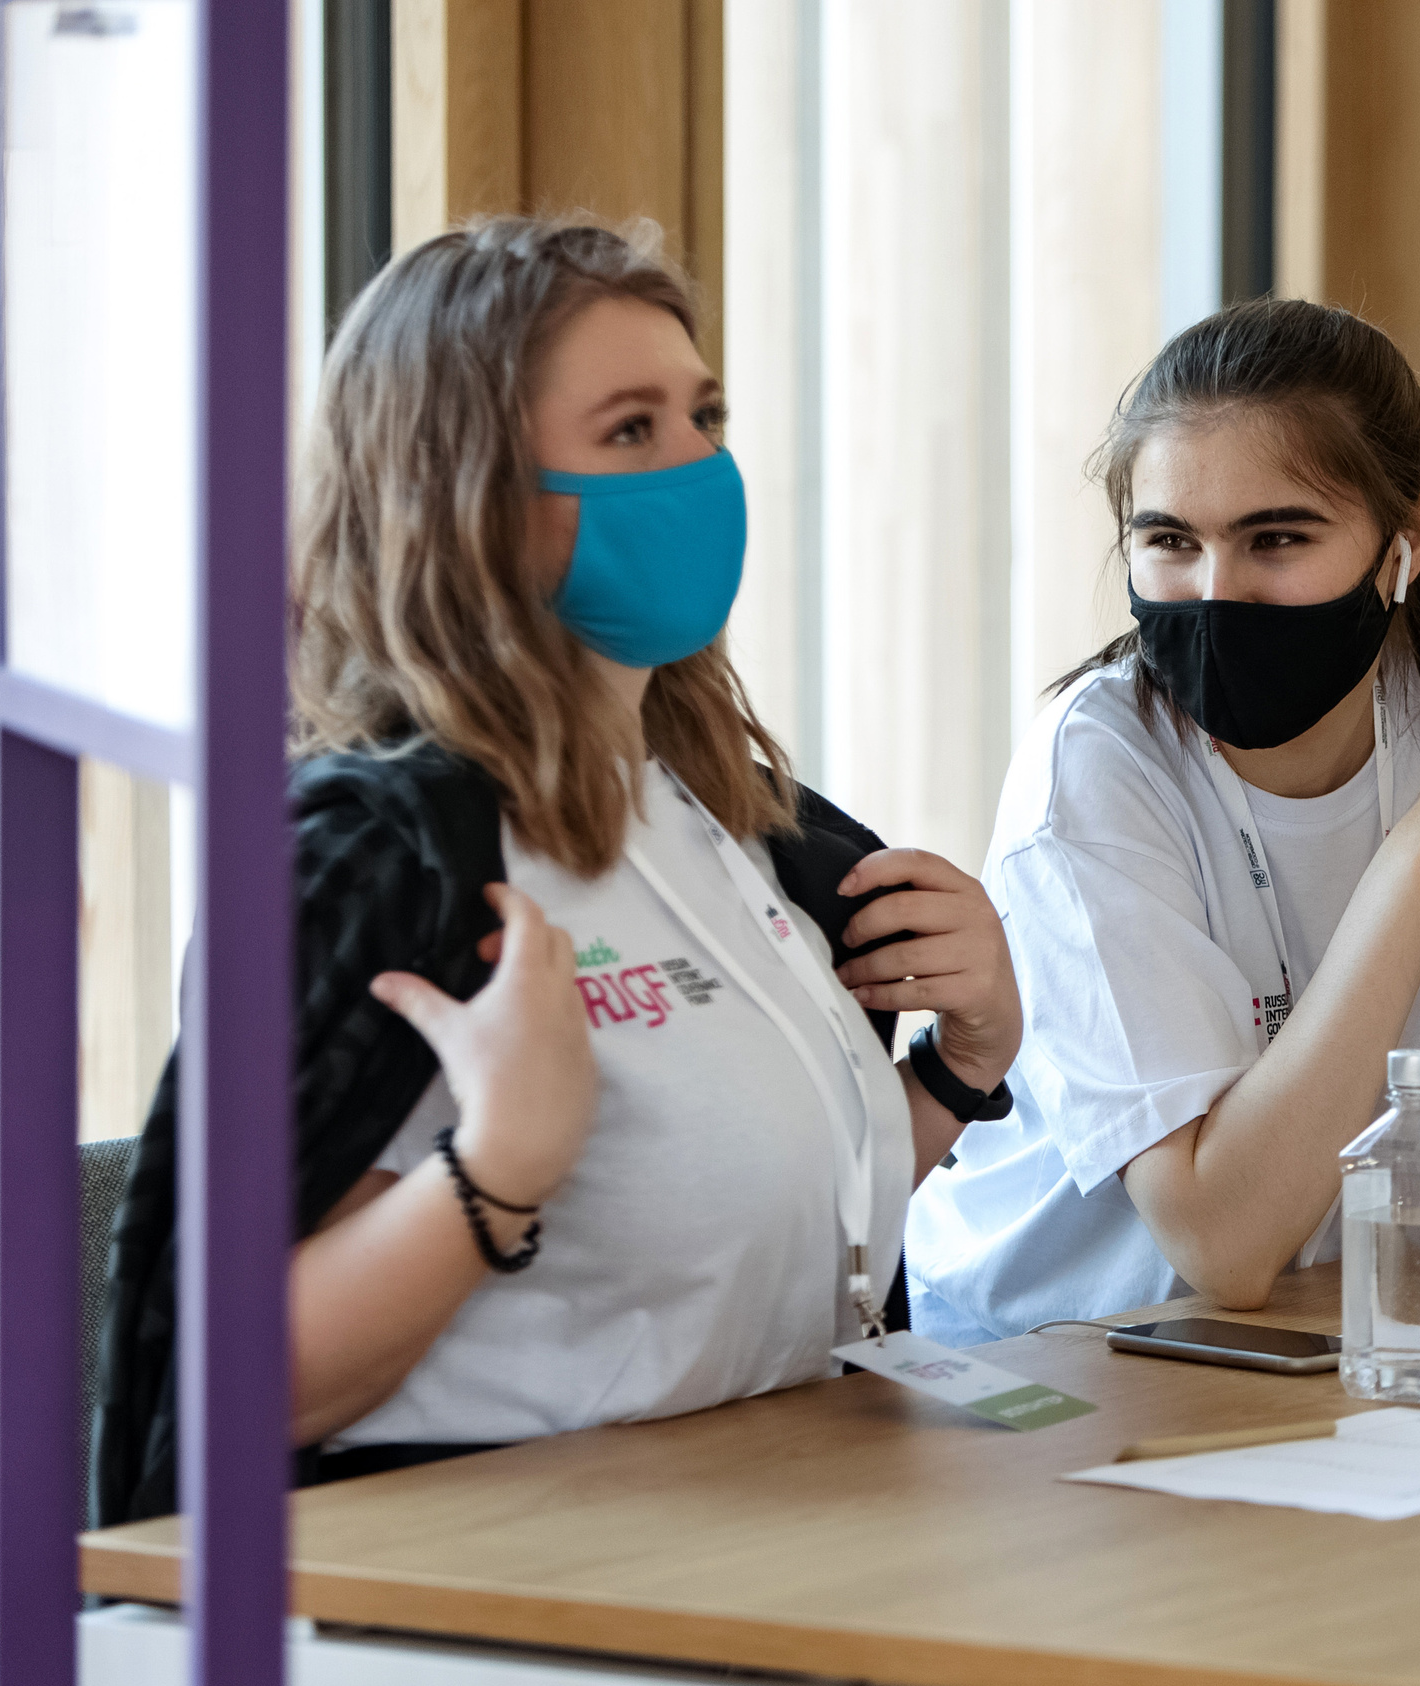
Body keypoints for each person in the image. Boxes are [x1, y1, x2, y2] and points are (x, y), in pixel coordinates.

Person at [92, 217, 1022, 1525]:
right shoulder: (374, 859)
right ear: (466, 492)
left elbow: (734, 1217)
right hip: (482, 1583)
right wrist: (500, 1164)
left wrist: (956, 1067)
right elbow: (228, 1377)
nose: (699, 465)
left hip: (765, 1522)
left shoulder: (733, 817)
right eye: (631, 430)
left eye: (706, 415)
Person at [906, 299, 1420, 1343]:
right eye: (1170, 540)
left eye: (1276, 539)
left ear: (1411, 533)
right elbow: (1223, 1244)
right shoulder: (1094, 765)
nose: (1218, 594)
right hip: (1057, 1360)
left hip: (1325, 1341)